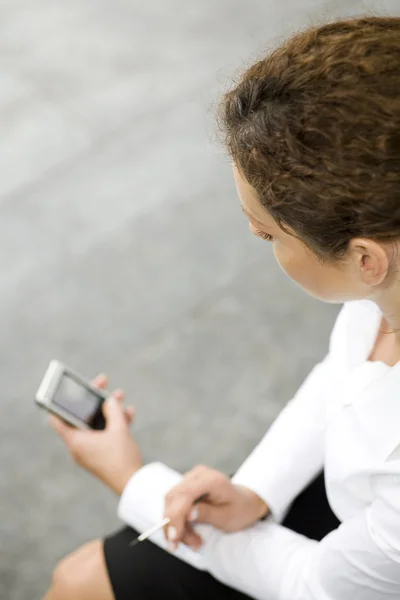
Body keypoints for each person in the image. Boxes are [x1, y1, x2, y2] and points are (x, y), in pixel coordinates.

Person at [43, 15, 400, 600]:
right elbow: (342, 376)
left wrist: (130, 479)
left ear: (365, 259)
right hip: (355, 499)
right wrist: (257, 492)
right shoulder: (386, 282)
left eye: (268, 235)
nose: (261, 246)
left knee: (76, 584)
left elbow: (315, 586)